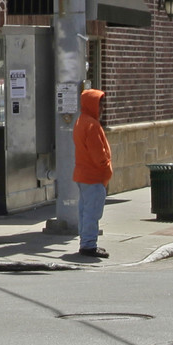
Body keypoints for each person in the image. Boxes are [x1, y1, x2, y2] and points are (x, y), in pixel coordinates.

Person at [73, 87, 112, 259]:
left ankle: (86, 242)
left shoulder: (81, 121)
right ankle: (89, 245)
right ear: (92, 104)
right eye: (100, 104)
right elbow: (99, 155)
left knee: (84, 210)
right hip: (93, 175)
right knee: (92, 212)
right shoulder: (92, 125)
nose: (102, 108)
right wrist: (106, 170)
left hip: (83, 174)